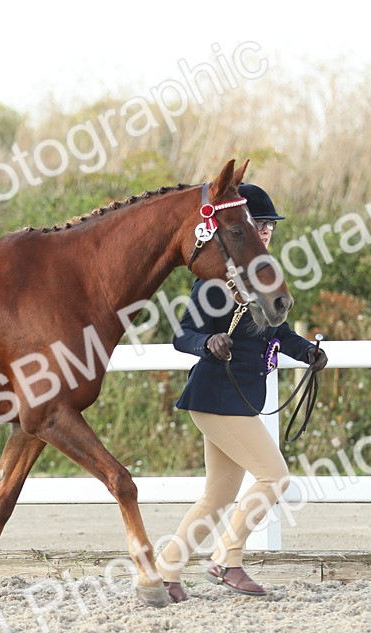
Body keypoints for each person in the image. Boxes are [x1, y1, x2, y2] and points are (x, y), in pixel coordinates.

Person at [155, 183, 328, 603]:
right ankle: (227, 560)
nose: (265, 231)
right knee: (275, 476)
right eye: (259, 224)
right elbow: (183, 335)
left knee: (218, 496)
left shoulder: (264, 272)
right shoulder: (217, 279)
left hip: (236, 398)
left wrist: (305, 351)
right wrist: (207, 343)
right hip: (215, 396)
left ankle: (166, 571)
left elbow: (277, 330)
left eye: (269, 226)